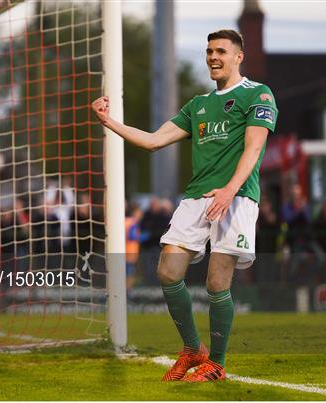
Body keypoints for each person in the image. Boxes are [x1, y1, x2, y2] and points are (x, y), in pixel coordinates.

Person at [92, 29, 277, 382]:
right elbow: (152, 141)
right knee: (167, 271)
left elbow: (254, 149)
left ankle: (217, 364)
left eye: (221, 51)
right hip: (196, 199)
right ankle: (193, 349)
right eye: (209, 51)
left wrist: (228, 190)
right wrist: (108, 121)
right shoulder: (198, 105)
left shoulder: (258, 94)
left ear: (239, 57)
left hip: (236, 198)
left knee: (216, 282)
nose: (213, 56)